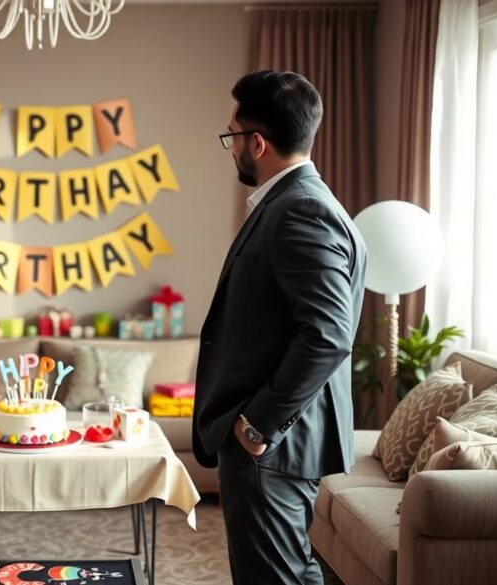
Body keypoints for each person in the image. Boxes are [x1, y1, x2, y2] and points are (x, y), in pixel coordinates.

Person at [192, 71, 368, 584]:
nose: (230, 149)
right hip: (274, 441)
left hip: (272, 443)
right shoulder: (294, 202)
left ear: (257, 142)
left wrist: (257, 425)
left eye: (231, 137)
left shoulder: (301, 210)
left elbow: (329, 334)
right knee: (289, 572)